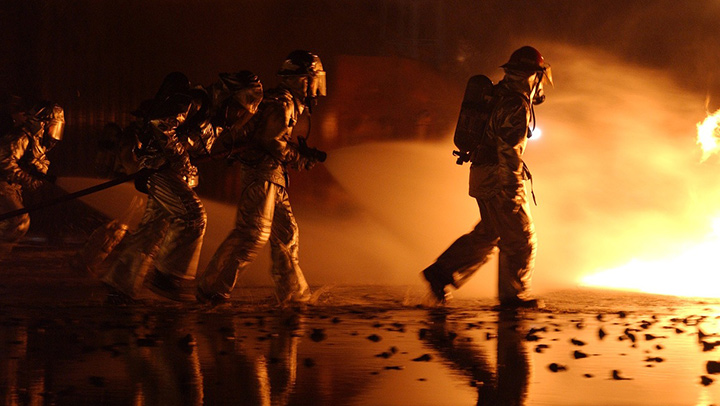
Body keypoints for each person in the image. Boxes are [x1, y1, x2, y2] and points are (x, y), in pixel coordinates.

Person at [422, 46, 552, 309]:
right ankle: (513, 297)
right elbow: (509, 151)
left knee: (489, 233)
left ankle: (442, 272)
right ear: (533, 75)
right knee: (520, 238)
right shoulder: (516, 104)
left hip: (482, 174)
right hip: (498, 178)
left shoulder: (498, 94)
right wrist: (512, 190)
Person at [196, 50, 327, 306]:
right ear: (303, 80)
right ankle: (211, 289)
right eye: (314, 81)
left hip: (272, 176)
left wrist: (296, 154)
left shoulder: (284, 102)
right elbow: (271, 141)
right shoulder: (283, 103)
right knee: (252, 233)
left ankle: (293, 295)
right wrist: (297, 157)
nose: (316, 89)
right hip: (262, 175)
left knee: (286, 234)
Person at [101, 72, 207, 303]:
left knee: (152, 229)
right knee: (190, 217)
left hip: (160, 173)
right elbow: (162, 135)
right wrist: (183, 162)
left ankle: (120, 282)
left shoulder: (173, 113)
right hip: (161, 174)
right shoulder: (179, 109)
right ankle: (165, 278)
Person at [0, 101, 64, 258]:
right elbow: (4, 161)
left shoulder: (36, 142)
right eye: (53, 126)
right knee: (18, 221)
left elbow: (37, 163)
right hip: (3, 184)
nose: (55, 132)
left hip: (11, 186)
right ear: (43, 124)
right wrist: (28, 179)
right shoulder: (22, 136)